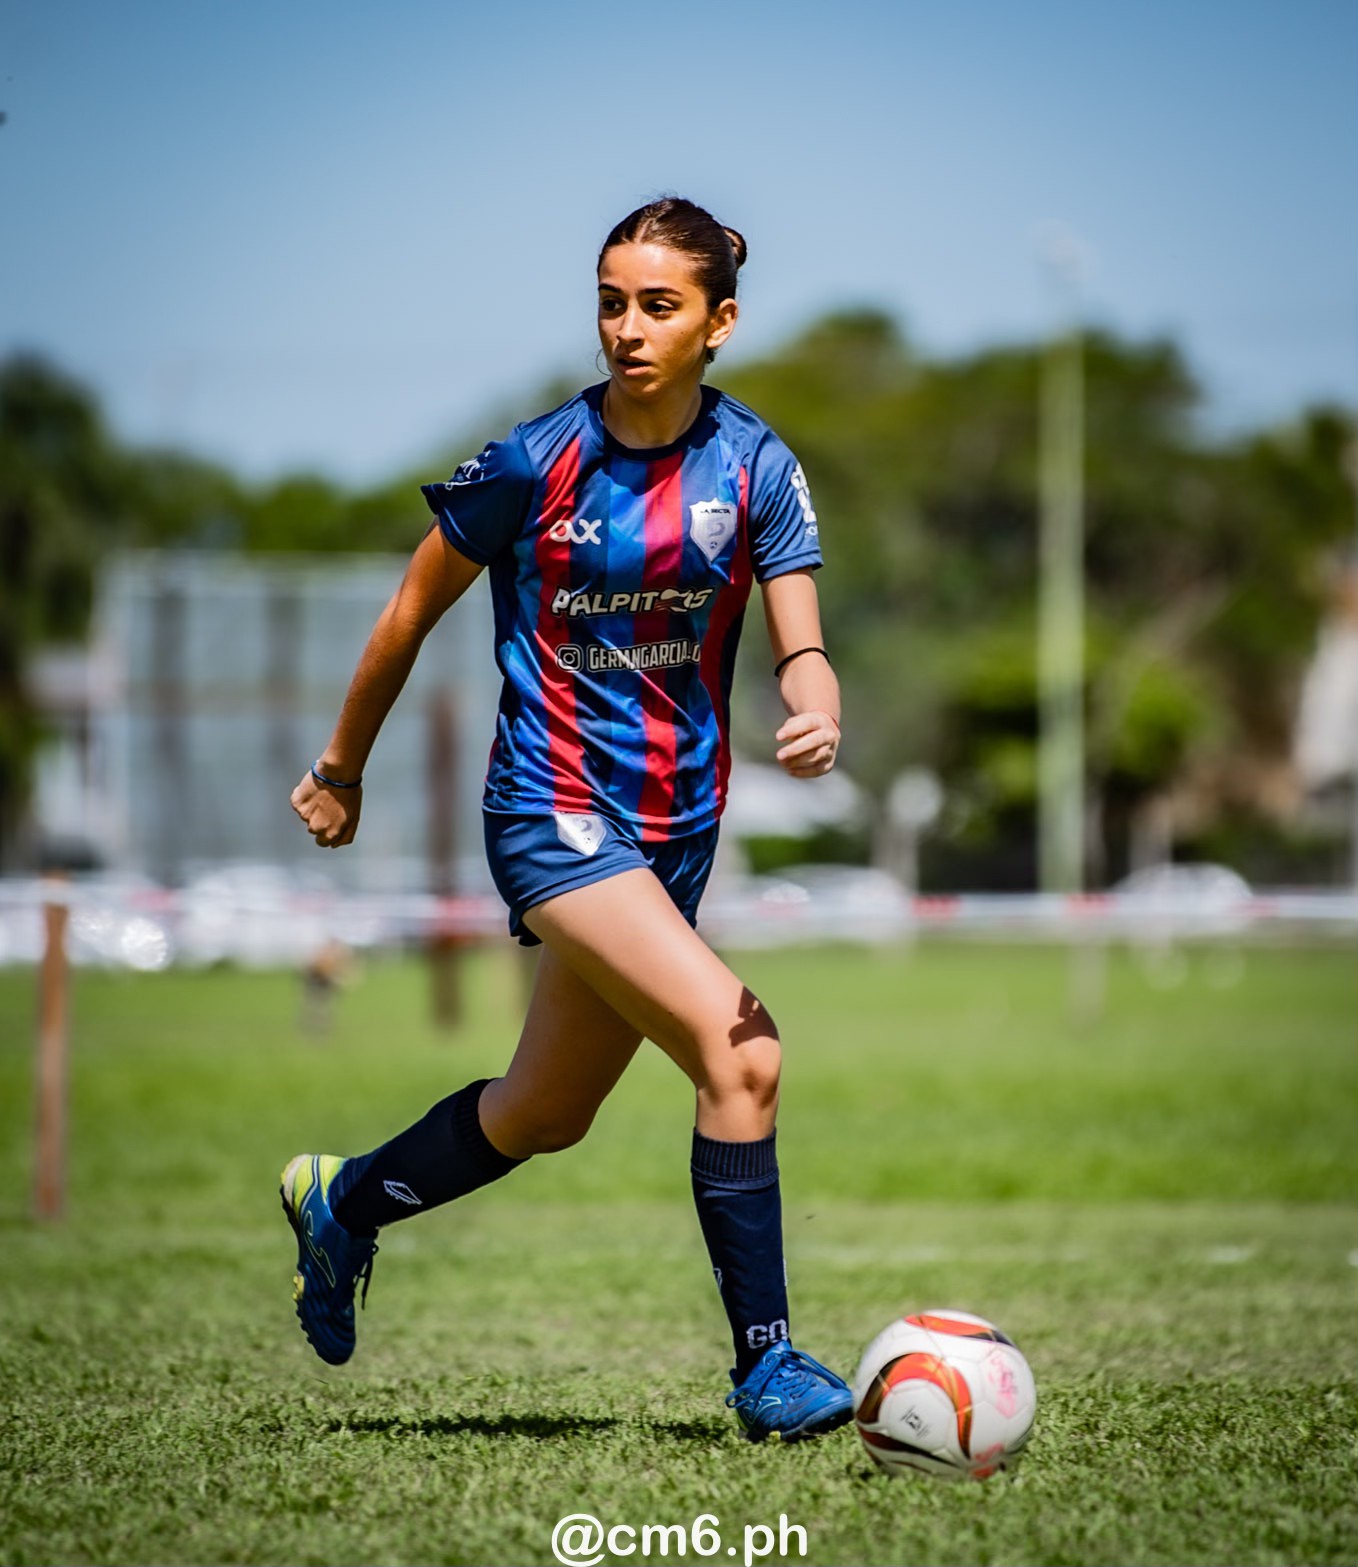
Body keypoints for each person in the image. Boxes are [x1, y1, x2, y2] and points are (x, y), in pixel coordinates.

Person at [284, 197, 851, 1443]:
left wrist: (813, 703)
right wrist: (342, 764)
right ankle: (766, 1366)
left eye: (658, 304)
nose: (627, 327)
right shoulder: (532, 461)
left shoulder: (754, 465)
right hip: (550, 811)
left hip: (671, 832)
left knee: (543, 1113)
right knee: (740, 1051)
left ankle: (344, 1206)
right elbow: (406, 614)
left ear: (720, 323)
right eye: (611, 299)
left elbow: (800, 637)